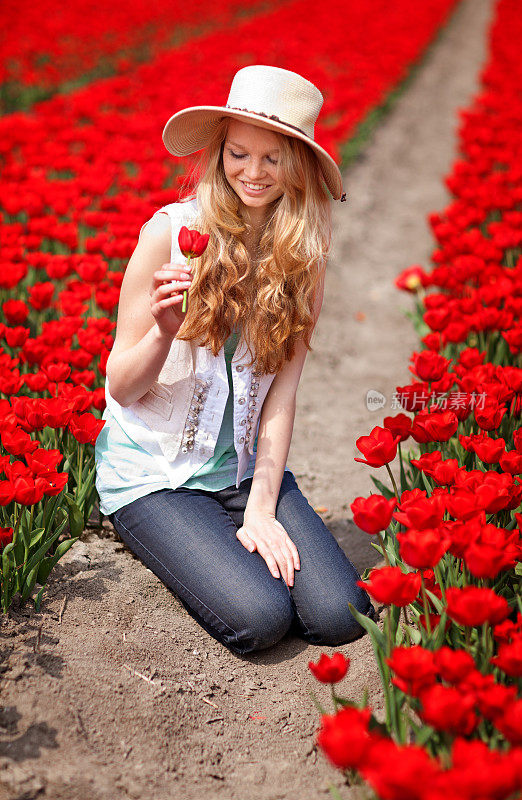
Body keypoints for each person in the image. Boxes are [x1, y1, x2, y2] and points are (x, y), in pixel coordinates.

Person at [94, 64, 374, 655]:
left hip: (243, 468)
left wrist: (263, 509)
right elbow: (120, 386)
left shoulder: (304, 261)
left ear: (297, 164)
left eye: (272, 158)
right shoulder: (169, 236)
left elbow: (282, 394)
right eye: (239, 153)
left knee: (340, 614)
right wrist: (165, 333)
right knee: (261, 619)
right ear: (220, 150)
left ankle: (226, 532)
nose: (252, 172)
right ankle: (163, 533)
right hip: (157, 472)